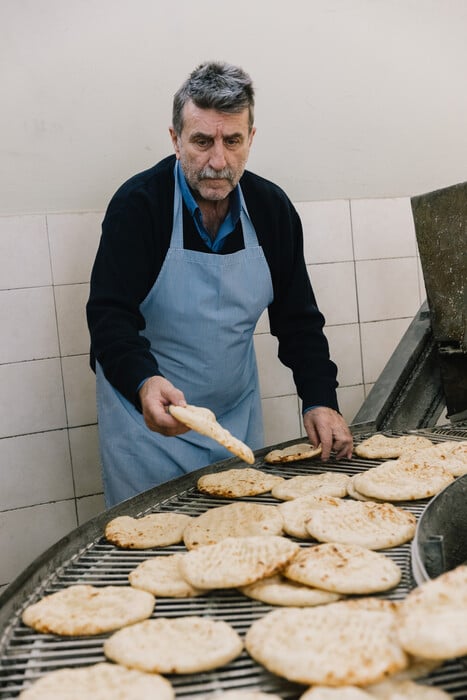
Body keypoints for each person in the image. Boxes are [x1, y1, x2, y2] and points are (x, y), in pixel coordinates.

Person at [86, 60, 353, 507]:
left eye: (232, 141)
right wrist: (144, 382)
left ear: (250, 138)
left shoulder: (271, 210)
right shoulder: (140, 206)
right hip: (148, 423)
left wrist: (320, 400)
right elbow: (109, 316)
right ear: (175, 139)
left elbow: (298, 320)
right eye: (202, 141)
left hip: (234, 420)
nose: (218, 161)